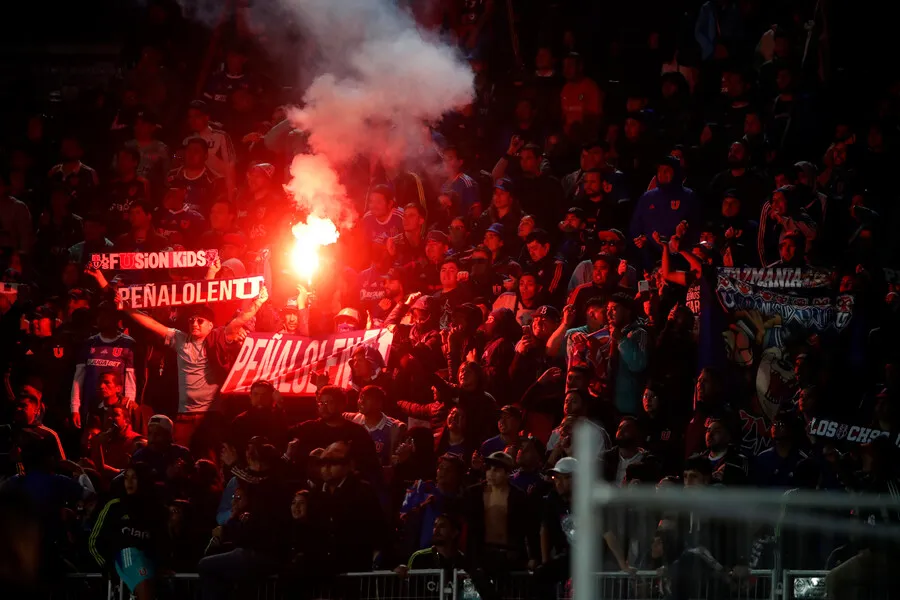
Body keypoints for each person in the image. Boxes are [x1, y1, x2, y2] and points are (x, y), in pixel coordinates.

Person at [125, 288, 268, 450]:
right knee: (181, 461)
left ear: (210, 325)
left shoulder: (217, 338)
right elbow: (152, 324)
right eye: (192, 320)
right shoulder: (180, 339)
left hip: (211, 415)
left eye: (200, 321)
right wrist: (126, 307)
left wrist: (259, 301)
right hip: (184, 414)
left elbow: (240, 320)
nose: (194, 324)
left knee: (211, 461)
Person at [307, 442, 387, 576]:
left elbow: (378, 529)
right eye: (323, 463)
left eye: (333, 463)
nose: (326, 468)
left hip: (352, 569)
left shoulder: (362, 491)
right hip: (320, 570)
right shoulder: (316, 493)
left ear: (350, 465)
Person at [89, 464, 166, 600]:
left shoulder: (155, 508)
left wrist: (162, 564)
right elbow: (94, 540)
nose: (129, 482)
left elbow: (161, 540)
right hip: (126, 556)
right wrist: (106, 567)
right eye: (126, 478)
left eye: (134, 477)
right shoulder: (114, 506)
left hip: (149, 560)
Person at [287, 385, 380, 482]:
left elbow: (371, 466)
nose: (323, 407)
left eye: (328, 403)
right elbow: (282, 436)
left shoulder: (357, 432)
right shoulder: (308, 428)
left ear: (342, 405)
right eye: (321, 403)